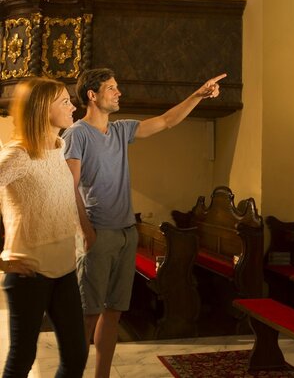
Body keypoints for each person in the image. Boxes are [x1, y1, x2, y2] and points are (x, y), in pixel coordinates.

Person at [62, 68, 226, 378]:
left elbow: (166, 121)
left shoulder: (122, 130)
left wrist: (197, 95)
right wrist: (85, 231)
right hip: (98, 234)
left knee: (114, 312)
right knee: (88, 314)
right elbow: (68, 187)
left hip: (126, 232)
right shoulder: (77, 134)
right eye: (112, 88)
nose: (119, 92)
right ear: (92, 95)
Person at [0, 77, 87, 378]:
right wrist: (1, 259)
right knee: (21, 360)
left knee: (77, 355)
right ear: (41, 109)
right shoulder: (17, 155)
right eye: (64, 101)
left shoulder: (58, 148)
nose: (72, 105)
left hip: (64, 270)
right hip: (29, 272)